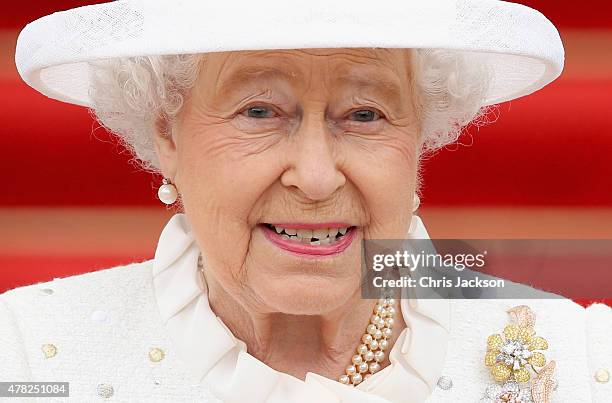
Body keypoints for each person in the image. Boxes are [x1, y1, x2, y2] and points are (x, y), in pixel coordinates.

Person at [2, 1, 610, 402]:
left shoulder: (584, 364)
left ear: (421, 136)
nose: (317, 177)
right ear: (167, 133)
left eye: (365, 114)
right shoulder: (27, 358)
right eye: (259, 111)